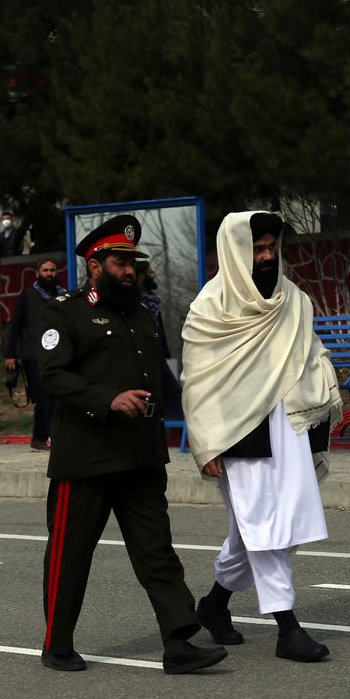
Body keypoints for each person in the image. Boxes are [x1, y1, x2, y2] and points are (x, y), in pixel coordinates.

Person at [37, 214, 226, 675]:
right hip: (85, 455)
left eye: (132, 262)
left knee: (156, 550)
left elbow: (161, 379)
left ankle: (179, 641)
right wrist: (107, 399)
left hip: (140, 454)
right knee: (70, 554)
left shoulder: (142, 313)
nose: (129, 269)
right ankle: (57, 644)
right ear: (95, 265)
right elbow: (53, 375)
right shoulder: (64, 310)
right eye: (120, 261)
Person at [181, 211, 342, 663]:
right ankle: (287, 628)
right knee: (264, 527)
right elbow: (198, 384)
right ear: (236, 251)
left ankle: (214, 605)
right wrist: (207, 443)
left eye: (272, 247)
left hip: (289, 427)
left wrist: (324, 388)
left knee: (269, 528)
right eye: (258, 249)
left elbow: (311, 353)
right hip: (238, 434)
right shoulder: (210, 308)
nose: (267, 256)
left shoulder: (293, 299)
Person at [4, 258, 61, 450]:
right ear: (38, 272)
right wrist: (10, 354)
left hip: (57, 354)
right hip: (33, 355)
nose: (49, 273)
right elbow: (16, 326)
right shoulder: (27, 296)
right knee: (44, 396)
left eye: (52, 270)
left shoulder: (63, 296)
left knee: (51, 396)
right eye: (45, 270)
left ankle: (38, 439)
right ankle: (53, 437)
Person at [137, 259, 183, 423]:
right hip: (147, 353)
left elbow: (159, 329)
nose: (153, 275)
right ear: (141, 275)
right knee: (170, 391)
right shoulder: (138, 299)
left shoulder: (151, 299)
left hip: (157, 353)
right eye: (150, 272)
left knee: (165, 393)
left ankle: (170, 428)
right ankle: (174, 427)